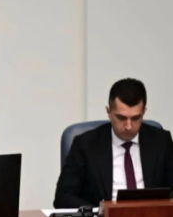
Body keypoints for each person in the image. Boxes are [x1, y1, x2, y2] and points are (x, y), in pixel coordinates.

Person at [54, 78, 173, 208]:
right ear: (109, 112)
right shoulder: (85, 144)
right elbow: (63, 197)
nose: (128, 126)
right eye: (121, 118)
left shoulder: (161, 141)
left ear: (144, 112)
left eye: (135, 118)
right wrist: (100, 212)